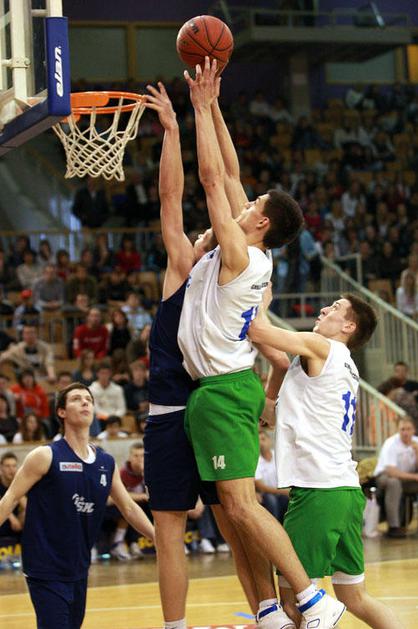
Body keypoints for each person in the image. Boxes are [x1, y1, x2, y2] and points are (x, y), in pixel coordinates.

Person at [178, 58, 342, 629]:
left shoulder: (242, 254)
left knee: (243, 508)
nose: (244, 203)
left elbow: (211, 179)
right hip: (218, 390)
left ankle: (314, 601)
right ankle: (270, 611)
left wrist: (199, 111)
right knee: (231, 516)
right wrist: (215, 106)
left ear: (262, 224)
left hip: (224, 390)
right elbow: (231, 170)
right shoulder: (253, 248)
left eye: (252, 206)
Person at [143, 80, 296, 629]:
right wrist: (179, 127)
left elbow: (210, 186)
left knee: (229, 520)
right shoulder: (194, 267)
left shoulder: (218, 266)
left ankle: (277, 607)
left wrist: (188, 120)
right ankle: (256, 612)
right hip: (196, 403)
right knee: (221, 521)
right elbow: (188, 192)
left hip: (198, 404)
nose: (209, 230)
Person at [248, 291, 402, 628]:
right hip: (344, 489)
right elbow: (272, 416)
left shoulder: (321, 347)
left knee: (294, 602)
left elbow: (257, 330)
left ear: (348, 326)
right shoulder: (342, 363)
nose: (323, 309)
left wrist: (260, 294)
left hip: (319, 490)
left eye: (335, 308)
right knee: (355, 597)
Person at [0, 382, 154, 629]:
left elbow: (128, 507)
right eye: (76, 399)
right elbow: (9, 500)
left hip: (79, 566)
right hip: (45, 566)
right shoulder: (44, 456)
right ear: (61, 412)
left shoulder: (105, 461)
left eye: (89, 399)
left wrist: (158, 538)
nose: (85, 402)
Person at [374, 416, 418, 538]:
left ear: (414, 430)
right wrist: (414, 477)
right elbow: (391, 471)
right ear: (398, 430)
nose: (405, 433)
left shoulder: (416, 442)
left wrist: (417, 453)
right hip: (384, 477)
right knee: (394, 483)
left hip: (407, 478)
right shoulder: (391, 443)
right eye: (402, 429)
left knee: (398, 482)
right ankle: (394, 527)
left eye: (408, 429)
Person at [255, 429, 289, 524]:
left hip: (281, 491)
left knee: (287, 500)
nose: (261, 443)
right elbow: (262, 487)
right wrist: (284, 491)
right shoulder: (256, 461)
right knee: (271, 500)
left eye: (263, 439)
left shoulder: (280, 456)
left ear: (269, 440)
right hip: (266, 494)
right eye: (258, 441)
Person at [0, 452, 25, 546]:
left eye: (14, 466)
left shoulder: (21, 482)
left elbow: (28, 506)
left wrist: (16, 485)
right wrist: (12, 518)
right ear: (1, 468)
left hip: (18, 528)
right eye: (8, 466)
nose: (11, 469)